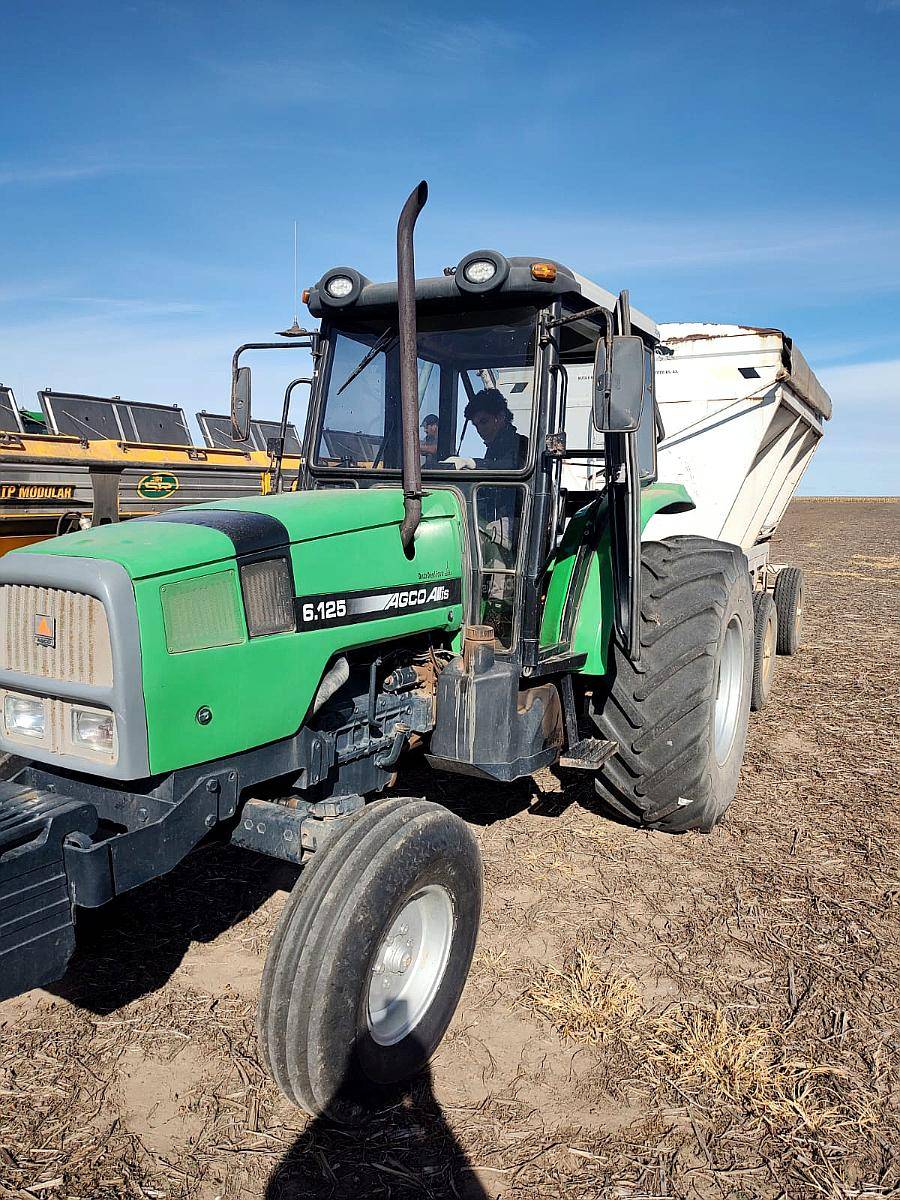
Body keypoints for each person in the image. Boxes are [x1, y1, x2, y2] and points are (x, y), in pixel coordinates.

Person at [463, 388, 527, 469]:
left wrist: (471, 463)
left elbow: (512, 467)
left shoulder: (521, 445)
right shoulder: (493, 448)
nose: (479, 429)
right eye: (476, 425)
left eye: (484, 422)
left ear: (501, 417)